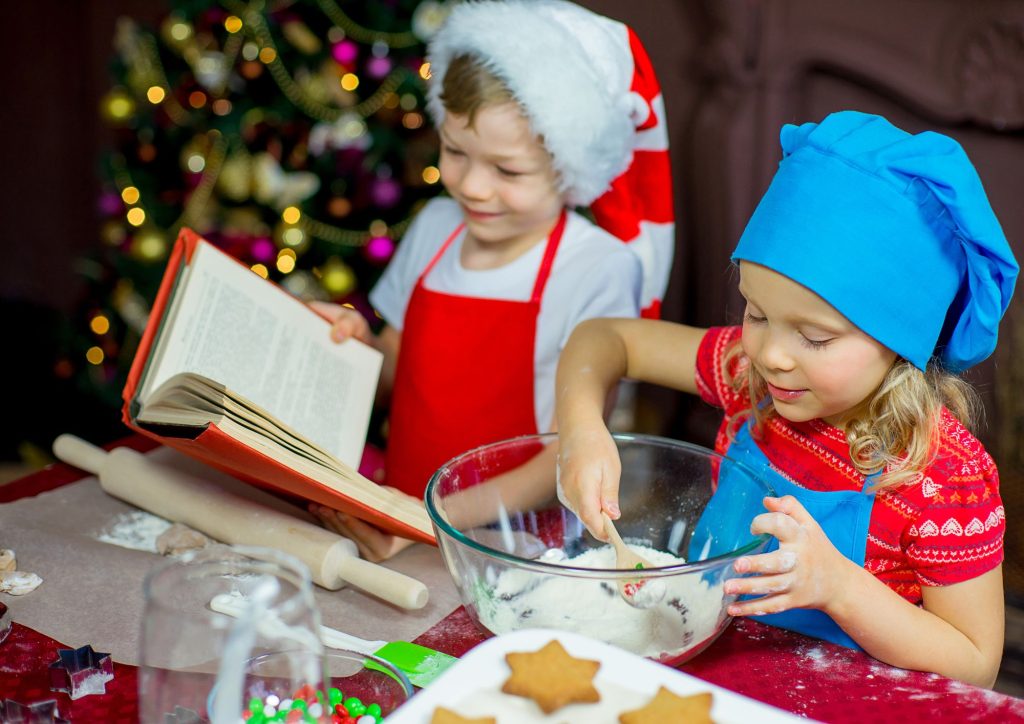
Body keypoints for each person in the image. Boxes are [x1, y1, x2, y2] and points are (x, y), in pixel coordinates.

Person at [554, 110, 1018, 687]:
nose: (772, 354)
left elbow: (975, 664)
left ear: (901, 341)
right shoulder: (748, 374)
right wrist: (581, 429)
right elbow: (606, 339)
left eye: (815, 337)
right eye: (756, 312)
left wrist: (840, 589)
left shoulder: (942, 477)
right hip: (703, 679)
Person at [310, 0, 675, 560]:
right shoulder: (435, 227)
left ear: (569, 166)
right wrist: (355, 345)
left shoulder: (596, 267)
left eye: (508, 170)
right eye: (455, 151)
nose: (473, 187)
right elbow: (394, 373)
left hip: (516, 546)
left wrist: (431, 518)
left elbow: (566, 452)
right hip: (399, 514)